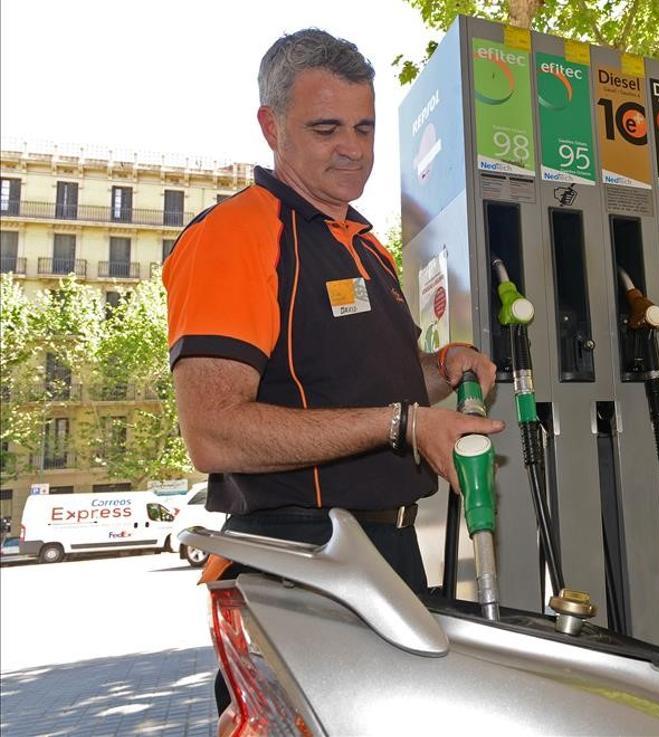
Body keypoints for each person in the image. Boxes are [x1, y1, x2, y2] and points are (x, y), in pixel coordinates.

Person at [163, 28, 502, 714]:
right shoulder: (236, 234)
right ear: (271, 126)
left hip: (385, 550)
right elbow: (215, 433)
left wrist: (439, 368)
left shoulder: (363, 243)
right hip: (303, 562)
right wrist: (406, 423)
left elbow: (370, 382)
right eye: (326, 128)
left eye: (365, 126)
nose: (353, 147)